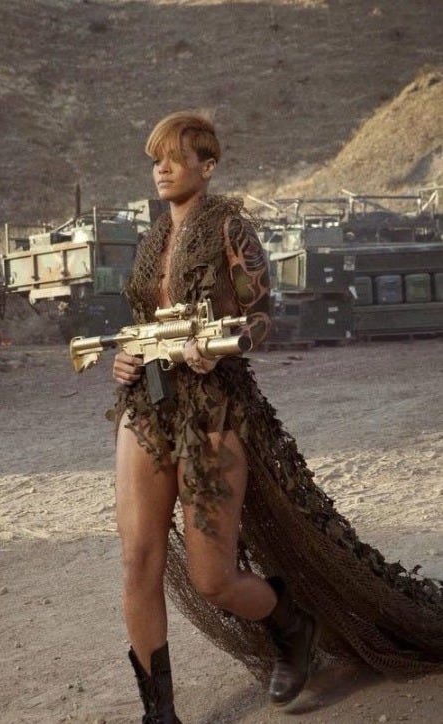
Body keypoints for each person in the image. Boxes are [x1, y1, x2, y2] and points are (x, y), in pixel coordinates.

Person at [110, 111, 443, 723]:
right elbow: (142, 323)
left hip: (214, 407)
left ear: (207, 166)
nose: (162, 169)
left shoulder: (230, 228)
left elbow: (262, 318)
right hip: (147, 405)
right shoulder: (151, 239)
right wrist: (126, 357)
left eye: (176, 158)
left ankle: (292, 624)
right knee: (138, 561)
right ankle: (159, 714)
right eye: (156, 159)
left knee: (213, 579)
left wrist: (216, 348)